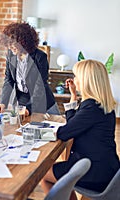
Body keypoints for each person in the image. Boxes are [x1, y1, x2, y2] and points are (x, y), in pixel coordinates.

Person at [40, 59, 119, 200]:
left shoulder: (91, 108)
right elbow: (74, 125)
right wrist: (74, 96)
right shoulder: (102, 105)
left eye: (76, 76)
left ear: (86, 81)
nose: (74, 80)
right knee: (62, 178)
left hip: (94, 172)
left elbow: (64, 133)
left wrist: (36, 134)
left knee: (43, 174)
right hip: (107, 167)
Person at [0, 22, 59, 116]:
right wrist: (3, 102)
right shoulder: (10, 55)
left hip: (43, 102)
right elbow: (8, 80)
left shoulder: (40, 57)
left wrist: (29, 108)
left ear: (23, 42)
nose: (10, 47)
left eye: (13, 43)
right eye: (8, 43)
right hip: (22, 101)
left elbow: (40, 86)